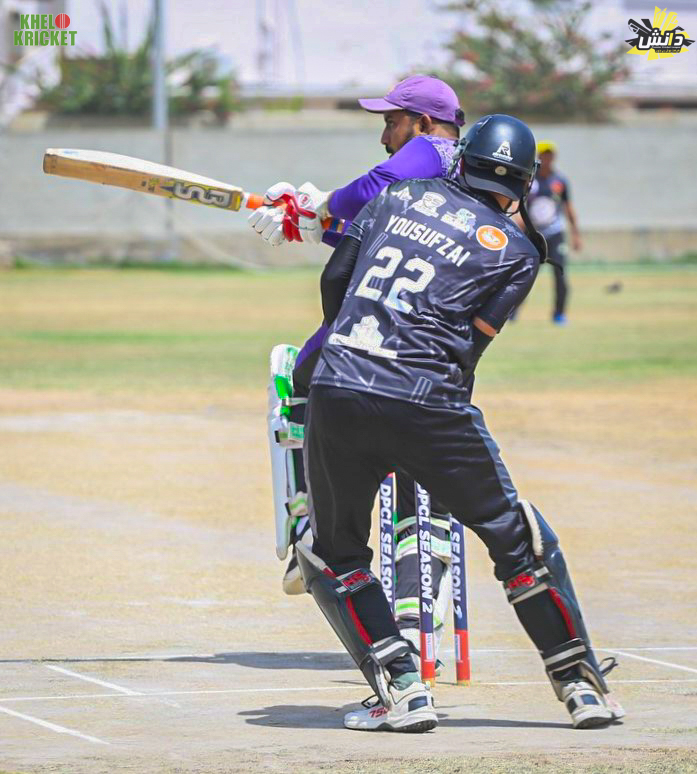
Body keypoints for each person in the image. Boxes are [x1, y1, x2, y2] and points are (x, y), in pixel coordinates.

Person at [296, 114, 624, 733]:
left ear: (462, 161)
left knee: (332, 552)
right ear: (522, 183)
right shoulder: (521, 251)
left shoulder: (397, 196)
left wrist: (355, 346)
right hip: (429, 402)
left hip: (339, 387)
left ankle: (401, 688)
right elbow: (471, 346)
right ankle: (580, 685)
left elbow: (335, 278)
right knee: (519, 541)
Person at [252, 76, 463, 658]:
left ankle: (306, 521)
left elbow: (375, 187)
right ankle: (421, 600)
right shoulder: (454, 188)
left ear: (424, 123)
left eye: (392, 122)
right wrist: (317, 225)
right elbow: (380, 237)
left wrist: (322, 204)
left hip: (375, 328)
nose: (384, 135)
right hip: (437, 348)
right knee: (415, 467)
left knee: (295, 375)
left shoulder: (436, 150)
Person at [527, 140, 581, 325]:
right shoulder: (530, 180)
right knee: (525, 274)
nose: (547, 158)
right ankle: (512, 311)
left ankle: (559, 313)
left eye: (550, 155)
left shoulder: (559, 181)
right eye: (544, 155)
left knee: (560, 274)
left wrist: (575, 234)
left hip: (555, 234)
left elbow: (568, 207)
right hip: (534, 235)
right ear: (539, 157)